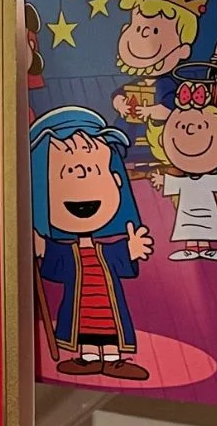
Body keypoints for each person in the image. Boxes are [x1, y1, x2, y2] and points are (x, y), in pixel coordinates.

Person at [30, 106, 153, 381]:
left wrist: (131, 250)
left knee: (111, 323)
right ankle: (87, 357)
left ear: (116, 180)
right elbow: (54, 265)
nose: (81, 180)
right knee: (81, 323)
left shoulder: (108, 249)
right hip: (81, 304)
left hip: (108, 303)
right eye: (66, 174)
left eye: (92, 171)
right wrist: (42, 247)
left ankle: (112, 359)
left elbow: (122, 262)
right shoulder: (67, 250)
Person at [145, 87, 217, 261]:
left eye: (201, 126)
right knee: (188, 227)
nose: (191, 131)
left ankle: (206, 248)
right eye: (181, 127)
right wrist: (160, 179)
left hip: (208, 209)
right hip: (187, 210)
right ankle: (191, 248)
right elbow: (172, 184)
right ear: (162, 141)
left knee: (208, 227)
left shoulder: (210, 179)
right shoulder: (183, 181)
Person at [112, 0, 208, 129]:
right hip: (125, 137)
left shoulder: (167, 84)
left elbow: (169, 109)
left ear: (183, 50)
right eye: (137, 28)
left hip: (156, 136)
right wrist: (120, 104)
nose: (144, 35)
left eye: (155, 31)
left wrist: (149, 111)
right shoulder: (136, 84)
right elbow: (118, 95)